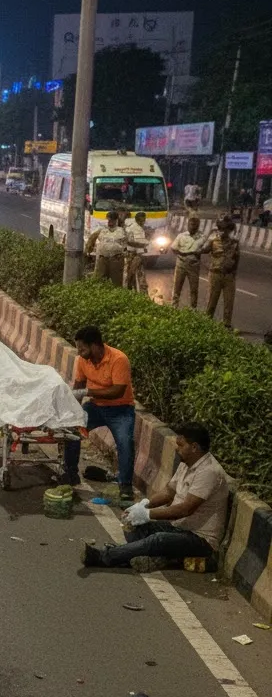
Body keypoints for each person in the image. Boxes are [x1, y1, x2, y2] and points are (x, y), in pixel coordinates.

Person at [81, 423, 229, 572]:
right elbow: (169, 492)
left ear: (194, 447)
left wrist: (147, 514)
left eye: (181, 445)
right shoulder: (187, 463)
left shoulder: (209, 472)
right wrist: (143, 506)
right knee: (132, 524)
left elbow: (186, 509)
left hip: (200, 539)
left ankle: (105, 557)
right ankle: (153, 557)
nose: (177, 449)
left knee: (158, 539)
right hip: (178, 527)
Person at [63, 325, 136, 502]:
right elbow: (79, 385)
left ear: (95, 345)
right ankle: (70, 472)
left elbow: (117, 391)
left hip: (121, 409)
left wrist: (89, 392)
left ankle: (125, 485)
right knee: (73, 430)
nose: (80, 352)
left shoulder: (119, 359)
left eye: (83, 348)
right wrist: (73, 409)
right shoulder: (83, 361)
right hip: (96, 407)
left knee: (125, 443)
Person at [202, 215, 240, 328]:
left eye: (225, 229)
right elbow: (202, 249)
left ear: (229, 230)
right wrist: (209, 234)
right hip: (215, 274)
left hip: (229, 276)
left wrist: (234, 273)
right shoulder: (213, 241)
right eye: (220, 229)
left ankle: (226, 325)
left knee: (229, 302)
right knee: (211, 301)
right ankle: (207, 323)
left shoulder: (234, 242)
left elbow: (237, 258)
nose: (222, 232)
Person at [170, 216, 203, 308]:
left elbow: (205, 249)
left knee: (194, 289)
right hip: (181, 263)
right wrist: (181, 254)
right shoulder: (181, 236)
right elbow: (173, 248)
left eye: (194, 225)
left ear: (198, 226)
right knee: (177, 287)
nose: (192, 227)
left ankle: (193, 308)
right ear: (187, 225)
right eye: (190, 225)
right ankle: (174, 307)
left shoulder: (202, 237)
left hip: (194, 265)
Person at [86, 211, 126, 286]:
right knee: (98, 281)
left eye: (111, 220)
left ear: (116, 220)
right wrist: (88, 251)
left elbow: (129, 242)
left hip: (116, 260)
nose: (109, 222)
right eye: (108, 220)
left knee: (116, 282)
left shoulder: (122, 231)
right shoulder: (102, 230)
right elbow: (91, 239)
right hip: (103, 259)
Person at [123, 211, 149, 294]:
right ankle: (130, 294)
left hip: (139, 255)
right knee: (130, 276)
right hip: (131, 255)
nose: (142, 222)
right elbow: (129, 242)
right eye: (140, 221)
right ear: (136, 220)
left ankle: (143, 296)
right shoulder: (130, 229)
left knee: (141, 276)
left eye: (143, 220)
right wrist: (142, 245)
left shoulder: (142, 229)